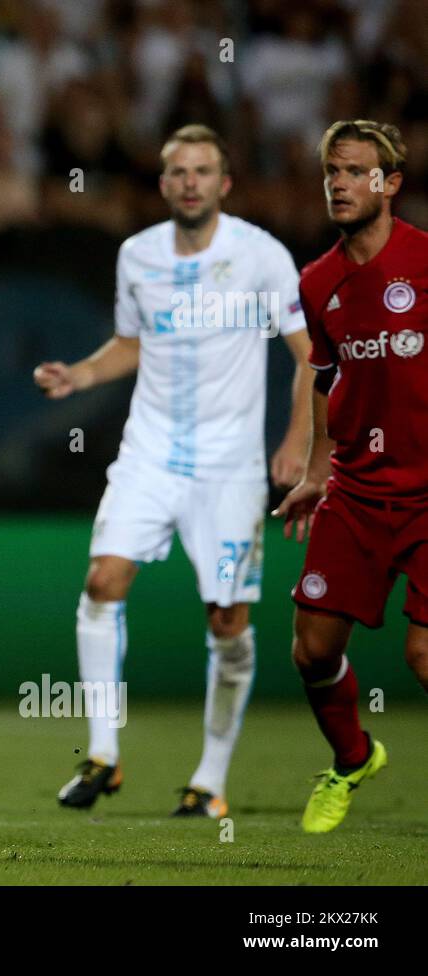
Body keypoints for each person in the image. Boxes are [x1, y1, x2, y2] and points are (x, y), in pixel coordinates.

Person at [33, 124, 313, 818]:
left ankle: (211, 779)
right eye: (178, 171)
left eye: (203, 170)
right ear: (163, 185)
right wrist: (82, 374)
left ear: (223, 183)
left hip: (229, 465)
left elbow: (311, 353)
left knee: (228, 619)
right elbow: (132, 343)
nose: (190, 181)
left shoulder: (261, 256)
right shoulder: (138, 255)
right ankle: (103, 753)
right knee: (103, 579)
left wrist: (300, 441)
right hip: (150, 451)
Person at [275, 119, 428, 833]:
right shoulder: (317, 280)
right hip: (358, 491)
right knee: (312, 649)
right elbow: (325, 376)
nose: (338, 183)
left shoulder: (425, 262)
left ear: (390, 183)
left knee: (424, 655)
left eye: (355, 171)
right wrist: (315, 470)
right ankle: (353, 756)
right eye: (331, 170)